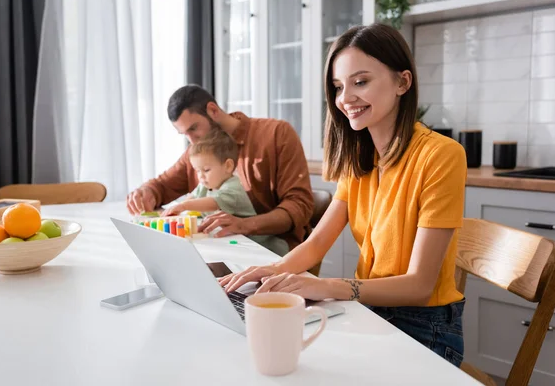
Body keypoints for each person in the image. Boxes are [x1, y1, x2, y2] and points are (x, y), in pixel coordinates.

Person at [220, 23, 468, 368]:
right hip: (368, 312)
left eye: (361, 82)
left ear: (402, 82)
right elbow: (316, 244)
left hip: (424, 328)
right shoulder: (360, 159)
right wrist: (266, 271)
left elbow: (420, 286)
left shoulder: (441, 156)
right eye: (338, 87)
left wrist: (329, 287)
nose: (345, 98)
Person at [127, 85, 314, 255]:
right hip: (220, 248)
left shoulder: (275, 134)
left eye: (194, 128)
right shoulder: (199, 148)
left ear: (213, 110)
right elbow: (163, 185)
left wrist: (243, 225)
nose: (192, 141)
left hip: (274, 253)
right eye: (185, 134)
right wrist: (146, 192)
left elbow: (299, 205)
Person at [161, 128, 287, 254]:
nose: (201, 176)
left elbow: (212, 202)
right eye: (197, 170)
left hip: (260, 245)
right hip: (234, 241)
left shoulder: (234, 188)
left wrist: (183, 206)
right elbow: (193, 198)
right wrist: (176, 212)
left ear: (228, 166)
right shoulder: (205, 184)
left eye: (206, 170)